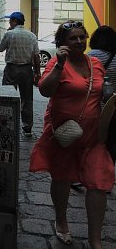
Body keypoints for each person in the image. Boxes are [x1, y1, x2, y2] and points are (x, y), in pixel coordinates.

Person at [29, 21, 115, 249]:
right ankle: (61, 220)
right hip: (64, 134)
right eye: (73, 38)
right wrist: (59, 65)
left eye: (82, 37)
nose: (79, 42)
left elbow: (102, 92)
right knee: (62, 178)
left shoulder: (96, 63)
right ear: (62, 44)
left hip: (94, 136)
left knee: (98, 184)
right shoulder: (58, 63)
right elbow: (45, 90)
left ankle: (95, 240)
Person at [0, 11, 41, 136]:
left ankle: (6, 123)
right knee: (27, 99)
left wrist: (8, 33)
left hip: (12, 69)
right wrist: (37, 73)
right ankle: (27, 127)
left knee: (7, 98)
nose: (10, 24)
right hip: (27, 70)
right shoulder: (32, 36)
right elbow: (36, 57)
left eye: (11, 21)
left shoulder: (9, 34)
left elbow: (1, 48)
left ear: (14, 21)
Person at [88, 25, 116, 162]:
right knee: (112, 140)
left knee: (95, 140)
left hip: (96, 106)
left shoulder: (92, 56)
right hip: (113, 106)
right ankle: (109, 168)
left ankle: (94, 171)